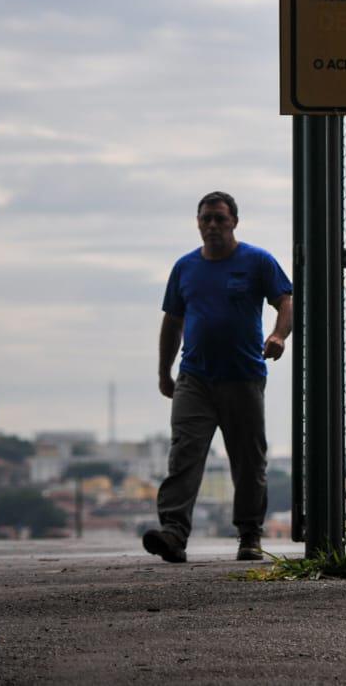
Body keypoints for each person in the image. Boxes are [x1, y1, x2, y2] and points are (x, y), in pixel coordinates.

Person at [142, 191, 292, 563]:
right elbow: (172, 321)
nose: (212, 226)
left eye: (219, 219)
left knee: (248, 460)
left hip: (242, 378)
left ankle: (249, 535)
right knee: (185, 454)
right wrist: (165, 372)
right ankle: (174, 534)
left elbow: (285, 300)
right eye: (205, 218)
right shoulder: (185, 268)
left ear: (234, 222)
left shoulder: (257, 261)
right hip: (195, 379)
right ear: (197, 223)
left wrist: (278, 335)